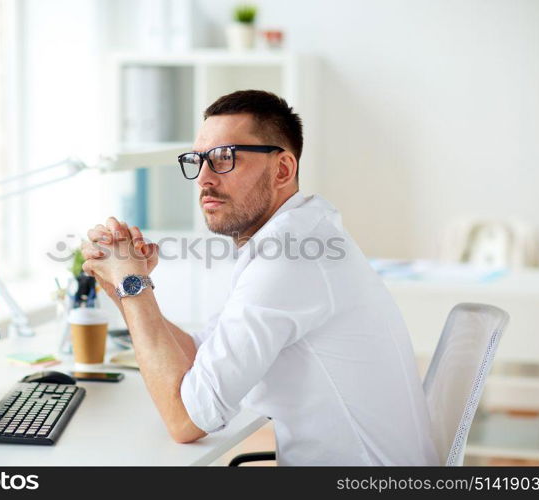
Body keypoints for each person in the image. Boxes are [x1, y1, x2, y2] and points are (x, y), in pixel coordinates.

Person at [81, 90, 439, 466]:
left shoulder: (288, 257)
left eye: (223, 158)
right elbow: (203, 352)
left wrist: (134, 288)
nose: (203, 178)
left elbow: (187, 421)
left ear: (282, 169)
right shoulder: (296, 237)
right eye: (197, 160)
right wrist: (125, 290)